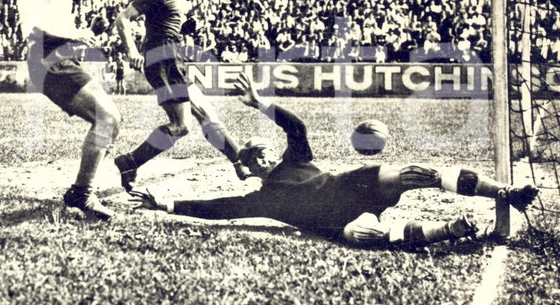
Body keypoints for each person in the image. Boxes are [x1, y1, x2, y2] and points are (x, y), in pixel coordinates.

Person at [132, 74, 539, 248]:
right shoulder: (261, 199)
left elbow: (296, 127)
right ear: (250, 167)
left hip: (351, 184)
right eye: (255, 153)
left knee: (420, 173)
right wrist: (166, 205)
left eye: (264, 147)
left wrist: (261, 104)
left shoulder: (295, 160)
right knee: (371, 236)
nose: (265, 151)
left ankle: (505, 192)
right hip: (336, 222)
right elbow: (217, 210)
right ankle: (451, 230)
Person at [113, 0, 249, 191]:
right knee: (181, 125)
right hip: (163, 60)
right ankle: (130, 161)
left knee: (207, 114)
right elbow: (123, 19)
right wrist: (132, 51)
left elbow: (166, 23)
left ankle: (241, 163)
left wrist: (185, 27)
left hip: (175, 58)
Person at [16, 0, 120, 219]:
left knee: (112, 122)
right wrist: (75, 34)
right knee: (106, 118)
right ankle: (82, 194)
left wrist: (77, 34)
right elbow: (32, 29)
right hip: (47, 60)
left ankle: (85, 187)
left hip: (62, 59)